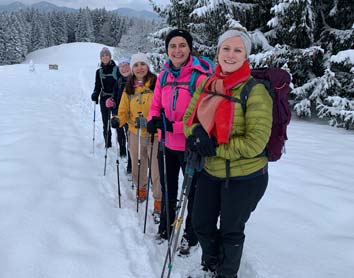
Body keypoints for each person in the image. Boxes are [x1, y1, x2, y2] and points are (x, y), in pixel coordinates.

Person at [183, 28, 273, 277]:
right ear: (218, 51)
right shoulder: (207, 83)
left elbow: (255, 142)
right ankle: (213, 264)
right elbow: (188, 120)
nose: (230, 55)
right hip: (211, 171)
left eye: (237, 50)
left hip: (246, 177)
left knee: (231, 230)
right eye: (226, 48)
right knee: (201, 223)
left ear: (246, 56)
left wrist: (214, 147)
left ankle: (226, 273)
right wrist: (196, 135)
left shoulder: (255, 91)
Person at [147, 29, 213, 255]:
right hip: (166, 145)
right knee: (168, 189)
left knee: (192, 194)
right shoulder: (164, 75)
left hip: (190, 147)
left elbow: (203, 115)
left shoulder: (199, 77)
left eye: (182, 45)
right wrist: (152, 120)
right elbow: (156, 105)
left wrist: (171, 126)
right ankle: (166, 227)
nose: (177, 50)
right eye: (173, 46)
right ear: (167, 49)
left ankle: (190, 235)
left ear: (189, 48)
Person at [110, 53, 162, 218]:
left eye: (142, 64)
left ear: (147, 66)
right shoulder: (129, 87)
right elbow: (124, 109)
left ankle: (159, 200)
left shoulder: (156, 83)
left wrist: (155, 121)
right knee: (139, 163)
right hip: (135, 132)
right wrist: (118, 119)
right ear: (132, 69)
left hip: (154, 134)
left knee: (156, 168)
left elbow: (162, 106)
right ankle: (141, 189)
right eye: (136, 65)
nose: (140, 68)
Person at [106, 57, 132, 174]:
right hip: (120, 114)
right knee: (122, 135)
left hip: (132, 115)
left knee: (131, 139)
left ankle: (131, 164)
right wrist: (111, 101)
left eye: (126, 65)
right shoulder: (119, 81)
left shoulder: (136, 81)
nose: (124, 68)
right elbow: (115, 96)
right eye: (121, 66)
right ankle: (123, 153)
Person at [91, 47, 118, 148]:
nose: (105, 57)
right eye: (103, 56)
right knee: (105, 122)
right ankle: (108, 144)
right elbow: (97, 86)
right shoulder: (99, 72)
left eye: (107, 55)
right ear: (100, 58)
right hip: (103, 98)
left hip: (115, 98)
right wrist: (95, 94)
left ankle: (123, 148)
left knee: (117, 122)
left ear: (110, 56)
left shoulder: (117, 69)